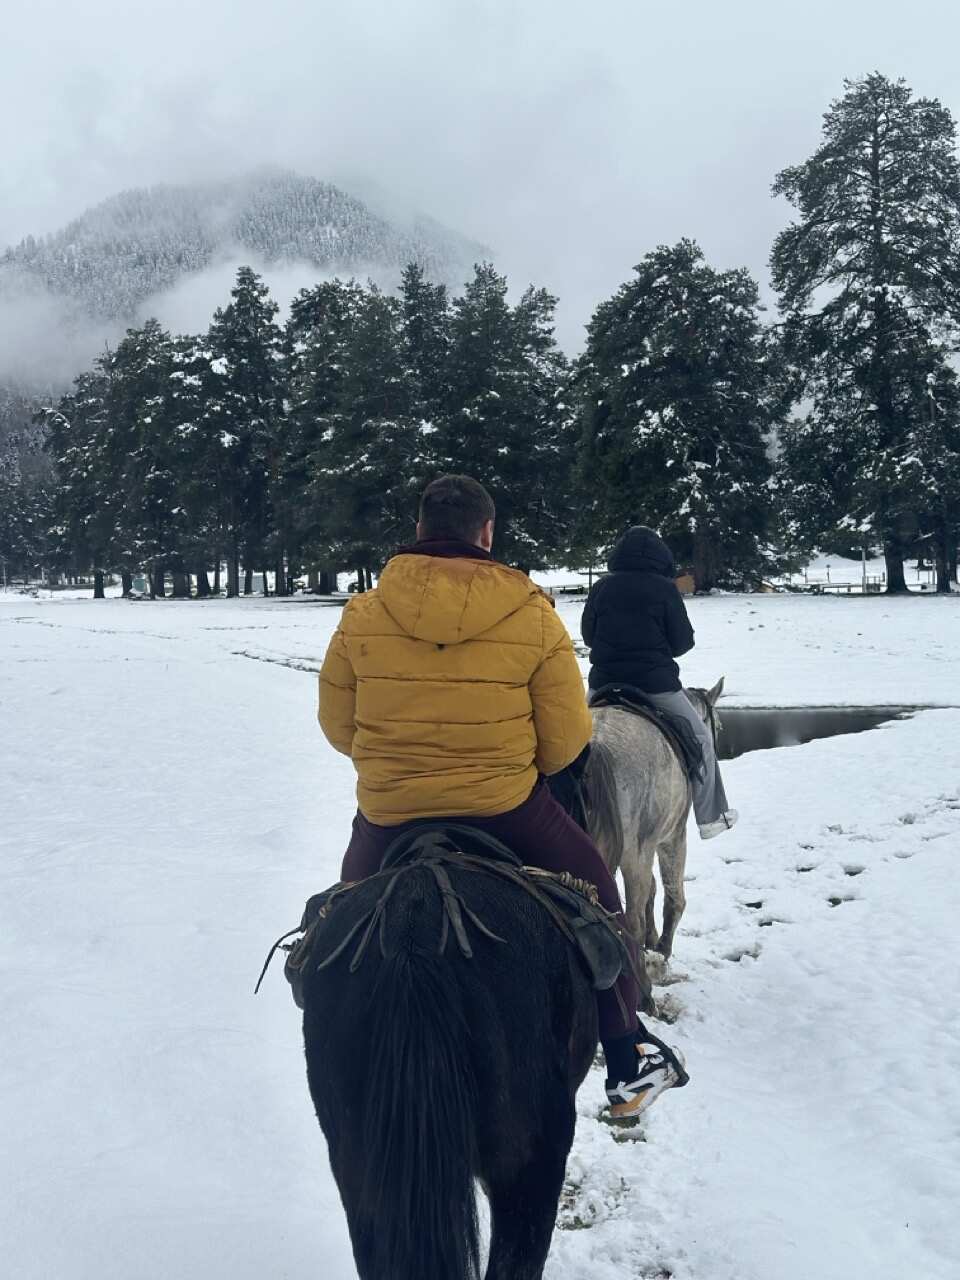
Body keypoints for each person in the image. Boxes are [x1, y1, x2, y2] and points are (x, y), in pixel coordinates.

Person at [318, 475, 688, 1118]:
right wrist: (514, 767)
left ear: (418, 530)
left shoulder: (362, 614)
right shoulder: (530, 613)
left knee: (333, 926)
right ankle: (628, 1057)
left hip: (390, 811)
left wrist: (396, 766)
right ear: (487, 533)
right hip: (507, 808)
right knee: (601, 898)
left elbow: (337, 726)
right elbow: (568, 738)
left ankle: (317, 998)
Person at [582, 525, 738, 839]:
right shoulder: (664, 589)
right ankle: (711, 819)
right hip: (655, 686)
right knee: (701, 740)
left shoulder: (601, 587)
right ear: (660, 556)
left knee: (565, 742)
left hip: (604, 686)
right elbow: (682, 642)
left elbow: (588, 635)